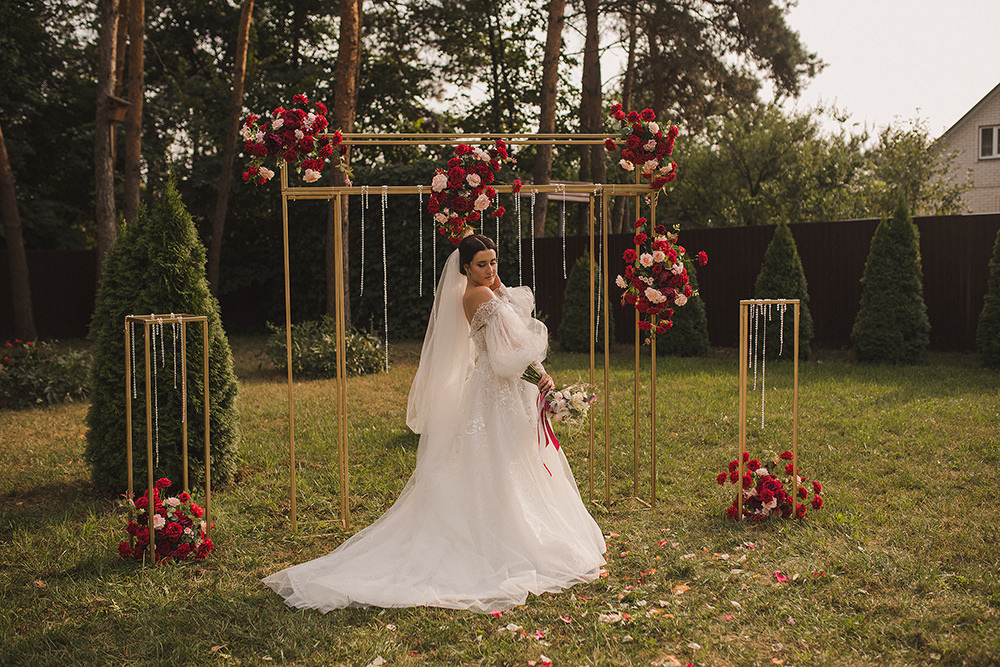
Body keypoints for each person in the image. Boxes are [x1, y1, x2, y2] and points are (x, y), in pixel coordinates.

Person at [263, 233, 606, 613]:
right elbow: (506, 353)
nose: (490, 270)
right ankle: (503, 534)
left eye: (494, 262)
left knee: (514, 458)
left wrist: (500, 289)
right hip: (500, 387)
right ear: (464, 268)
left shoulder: (487, 290)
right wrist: (538, 376)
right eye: (481, 264)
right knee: (499, 459)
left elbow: (513, 318)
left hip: (506, 388)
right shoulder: (478, 296)